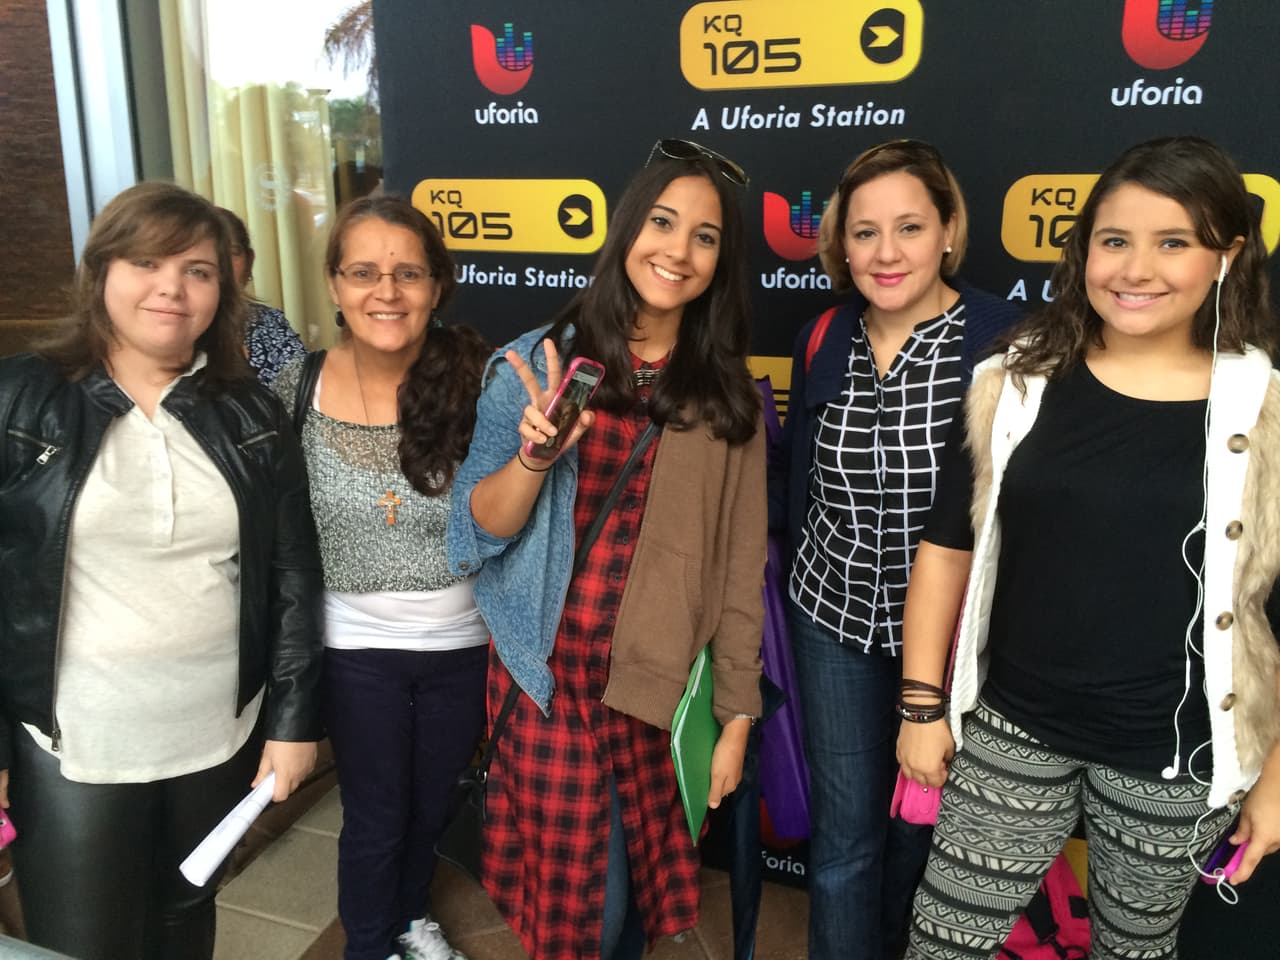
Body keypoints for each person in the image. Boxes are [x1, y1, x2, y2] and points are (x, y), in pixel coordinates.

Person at [896, 136, 1280, 960]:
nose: (1136, 269)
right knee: (942, 944)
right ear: (1083, 253)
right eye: (1115, 241)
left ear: (1225, 256)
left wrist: (1277, 784)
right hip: (1013, 729)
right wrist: (921, 708)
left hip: (1174, 760)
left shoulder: (1266, 411)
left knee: (1135, 951)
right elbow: (946, 548)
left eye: (1172, 242)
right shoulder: (1014, 384)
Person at [447, 138, 766, 960]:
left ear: (721, 263)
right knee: (583, 915)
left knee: (628, 915)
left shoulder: (726, 399)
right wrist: (532, 460)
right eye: (662, 221)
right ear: (627, 228)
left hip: (651, 694)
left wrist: (735, 718)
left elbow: (739, 571)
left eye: (705, 236)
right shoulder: (535, 363)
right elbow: (473, 535)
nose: (678, 250)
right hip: (546, 685)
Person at [0, 181, 324, 960]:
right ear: (101, 271)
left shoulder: (250, 413)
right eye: (147, 262)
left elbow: (292, 576)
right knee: (84, 942)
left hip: (216, 733)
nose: (171, 287)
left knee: (184, 926)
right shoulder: (21, 399)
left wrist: (292, 725)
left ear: (224, 289)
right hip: (74, 742)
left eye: (197, 270)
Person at [768, 139, 1020, 959]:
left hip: (949, 644)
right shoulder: (822, 337)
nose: (886, 252)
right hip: (831, 618)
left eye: (909, 227)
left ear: (948, 231)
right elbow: (796, 480)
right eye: (864, 231)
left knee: (922, 832)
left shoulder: (1003, 342)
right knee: (845, 841)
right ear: (840, 245)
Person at [273, 195, 491, 960]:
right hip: (353, 648)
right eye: (363, 272)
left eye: (408, 273)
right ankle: (368, 947)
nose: (386, 291)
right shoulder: (295, 390)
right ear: (335, 285)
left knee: (431, 806)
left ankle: (409, 919)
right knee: (375, 813)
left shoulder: (478, 383)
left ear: (437, 286)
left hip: (463, 645)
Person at [215, 205, 307, 385]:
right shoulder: (175, 327)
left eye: (232, 253)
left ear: (249, 261)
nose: (222, 265)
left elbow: (305, 389)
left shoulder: (269, 323)